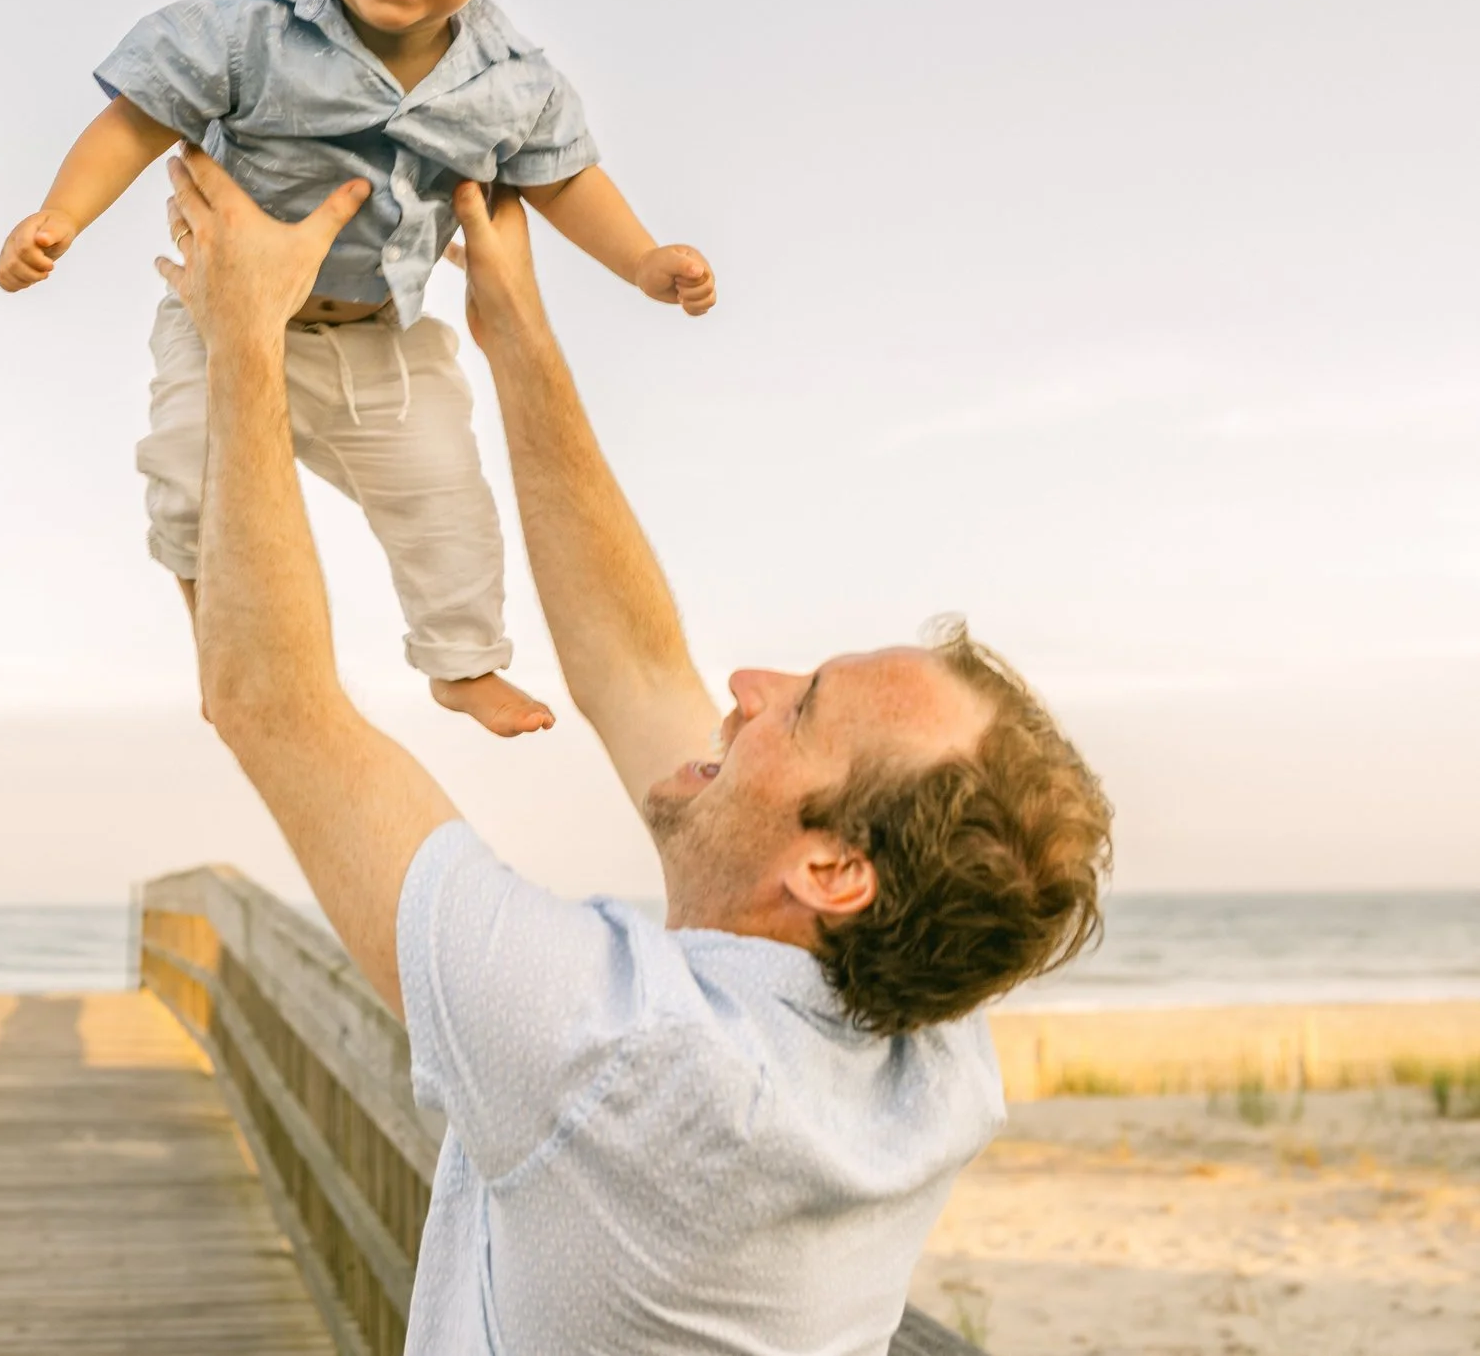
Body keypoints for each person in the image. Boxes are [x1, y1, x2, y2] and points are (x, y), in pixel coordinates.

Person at [155, 148, 1113, 1355]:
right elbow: (636, 665)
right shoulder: (927, 1040)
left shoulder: (616, 1054)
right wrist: (514, 328)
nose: (745, 686)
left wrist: (243, 329)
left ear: (830, 873)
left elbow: (270, 701)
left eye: (801, 710)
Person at [0, 0, 715, 739]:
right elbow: (136, 118)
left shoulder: (510, 79)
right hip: (226, 322)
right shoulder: (247, 25)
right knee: (186, 474)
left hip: (387, 330)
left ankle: (462, 662)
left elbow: (561, 177)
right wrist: (58, 218)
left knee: (445, 501)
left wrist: (641, 259)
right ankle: (224, 646)